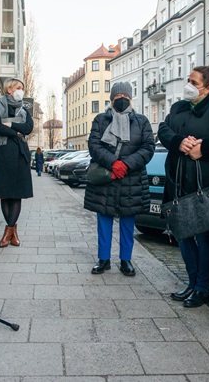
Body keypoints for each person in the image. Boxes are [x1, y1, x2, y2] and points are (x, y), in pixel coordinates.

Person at [158, 63, 209, 308]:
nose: (188, 86)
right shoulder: (178, 107)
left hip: (204, 185)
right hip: (178, 181)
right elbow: (164, 129)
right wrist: (179, 141)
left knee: (203, 238)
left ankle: (203, 288)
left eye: (194, 83)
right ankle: (191, 283)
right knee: (183, 236)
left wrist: (204, 148)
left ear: (207, 88)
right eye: (188, 80)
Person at [84, 82, 155, 277]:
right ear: (112, 98)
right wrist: (113, 163)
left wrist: (126, 165)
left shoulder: (141, 121)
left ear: (131, 98)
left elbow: (148, 147)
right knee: (103, 219)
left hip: (131, 178)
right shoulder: (101, 119)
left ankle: (126, 260)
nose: (121, 98)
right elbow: (94, 145)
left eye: (125, 94)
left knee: (127, 221)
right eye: (118, 95)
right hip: (107, 176)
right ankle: (103, 259)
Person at [0, 78, 33, 248]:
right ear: (9, 89)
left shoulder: (25, 109)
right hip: (2, 155)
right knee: (5, 194)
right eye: (18, 87)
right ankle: (12, 231)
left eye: (22, 88)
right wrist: (16, 131)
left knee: (17, 194)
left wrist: (9, 124)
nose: (21, 90)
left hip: (20, 155)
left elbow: (28, 128)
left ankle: (8, 232)